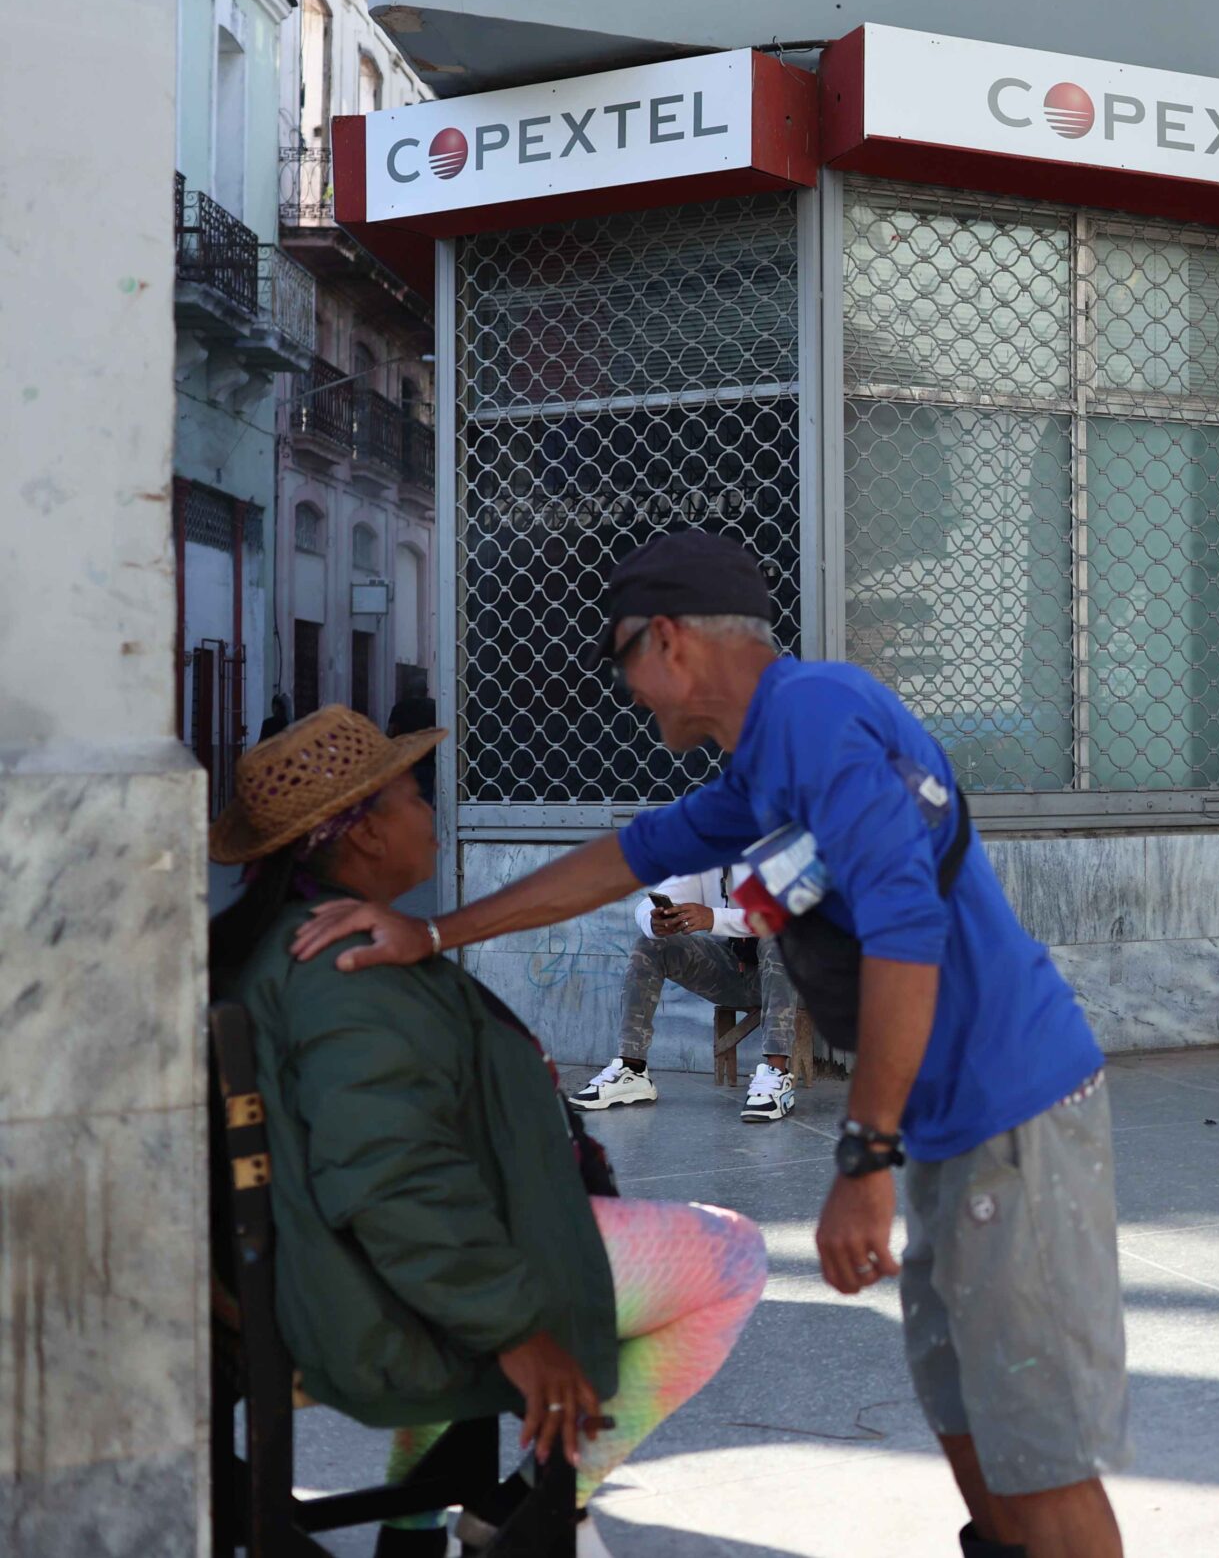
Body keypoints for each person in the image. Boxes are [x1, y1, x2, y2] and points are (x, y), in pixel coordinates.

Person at [291, 531, 1130, 1558]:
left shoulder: (816, 714)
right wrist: (434, 931)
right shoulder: (761, 762)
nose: (631, 693)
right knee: (969, 1424)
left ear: (670, 643)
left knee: (1038, 1456)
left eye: (624, 662)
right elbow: (623, 859)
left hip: (1013, 1111)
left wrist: (863, 1157)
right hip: (952, 1128)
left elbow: (910, 937)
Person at [209, 707, 766, 1558]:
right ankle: (527, 1508)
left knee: (453, 1235)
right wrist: (517, 1332)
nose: (431, 814)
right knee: (732, 1257)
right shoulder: (343, 970)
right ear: (359, 837)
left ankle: (413, 1530)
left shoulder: (302, 938)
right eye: (412, 797)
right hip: (370, 1287)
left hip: (362, 1257)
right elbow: (393, 1184)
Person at [572, 858, 803, 1123]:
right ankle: (632, 1070)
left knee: (780, 938)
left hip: (804, 979)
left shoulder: (788, 847)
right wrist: (654, 920)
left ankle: (777, 1075)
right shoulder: (715, 859)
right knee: (651, 944)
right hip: (742, 973)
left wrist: (713, 917)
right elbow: (647, 904)